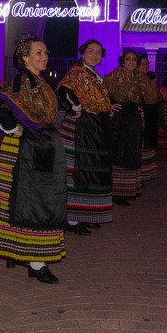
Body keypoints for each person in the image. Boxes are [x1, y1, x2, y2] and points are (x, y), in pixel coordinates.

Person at [0, 37, 67, 284]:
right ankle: (36, 262)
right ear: (24, 58)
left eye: (45, 52)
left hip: (38, 148)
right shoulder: (22, 82)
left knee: (31, 200)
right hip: (25, 150)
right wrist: (15, 129)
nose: (44, 56)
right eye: (38, 52)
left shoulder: (39, 82)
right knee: (31, 201)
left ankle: (21, 253)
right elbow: (1, 104)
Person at [57, 40, 114, 233]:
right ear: (83, 53)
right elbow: (64, 89)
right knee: (77, 171)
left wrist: (107, 108)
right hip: (80, 128)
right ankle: (72, 219)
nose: (95, 55)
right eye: (91, 51)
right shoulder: (78, 72)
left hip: (94, 127)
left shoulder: (93, 74)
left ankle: (84, 213)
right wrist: (76, 107)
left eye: (99, 52)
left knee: (89, 169)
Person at [103, 49, 144, 205]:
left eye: (134, 59)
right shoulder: (116, 74)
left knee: (131, 150)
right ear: (122, 61)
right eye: (128, 59)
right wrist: (108, 105)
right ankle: (116, 193)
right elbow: (99, 86)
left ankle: (126, 190)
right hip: (121, 117)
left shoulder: (136, 76)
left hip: (133, 115)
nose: (131, 62)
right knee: (120, 150)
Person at [136, 54, 160, 185]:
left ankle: (144, 174)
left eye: (147, 64)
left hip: (149, 114)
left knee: (147, 143)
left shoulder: (145, 79)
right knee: (140, 144)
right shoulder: (135, 79)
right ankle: (138, 176)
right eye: (143, 64)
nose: (146, 66)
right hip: (141, 115)